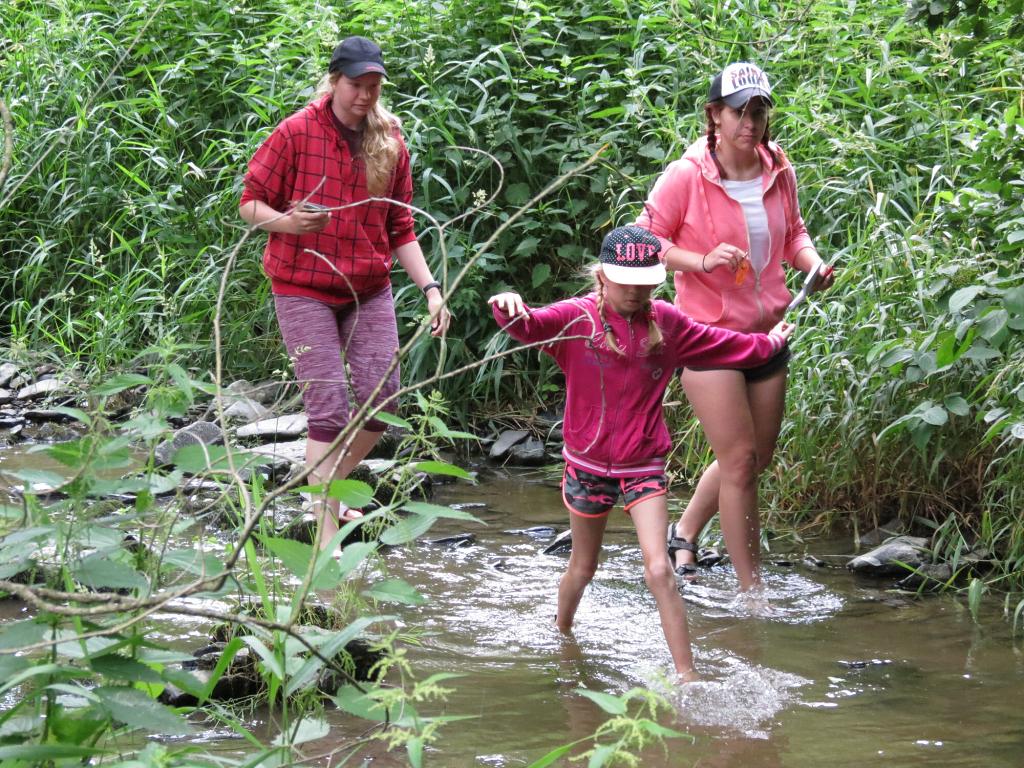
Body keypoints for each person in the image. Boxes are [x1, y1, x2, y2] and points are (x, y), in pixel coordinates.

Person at [488, 225, 793, 681]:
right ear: (602, 278)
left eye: (644, 281)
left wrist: (769, 343)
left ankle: (687, 677)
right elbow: (527, 325)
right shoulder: (576, 320)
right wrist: (505, 302)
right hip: (586, 466)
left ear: (657, 279)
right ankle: (562, 633)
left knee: (658, 570)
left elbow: (724, 343)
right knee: (583, 568)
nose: (634, 290)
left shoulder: (668, 324)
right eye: (623, 280)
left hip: (643, 465)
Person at [239, 36, 450, 550]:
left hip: (369, 288)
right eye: (357, 85)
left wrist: (431, 289)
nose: (366, 95)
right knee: (329, 409)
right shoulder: (295, 133)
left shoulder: (390, 138)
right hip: (301, 286)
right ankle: (326, 530)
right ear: (334, 81)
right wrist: (286, 222)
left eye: (374, 86)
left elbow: (400, 225)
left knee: (386, 400)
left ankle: (328, 489)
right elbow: (249, 204)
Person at [635, 62, 835, 590]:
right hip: (707, 336)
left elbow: (793, 233)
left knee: (755, 457)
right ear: (714, 117)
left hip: (768, 331)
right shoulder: (687, 174)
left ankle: (684, 532)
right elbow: (643, 241)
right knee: (741, 460)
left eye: (760, 111)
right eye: (739, 111)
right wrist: (701, 262)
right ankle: (753, 592)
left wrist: (811, 265)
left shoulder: (778, 169)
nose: (751, 121)